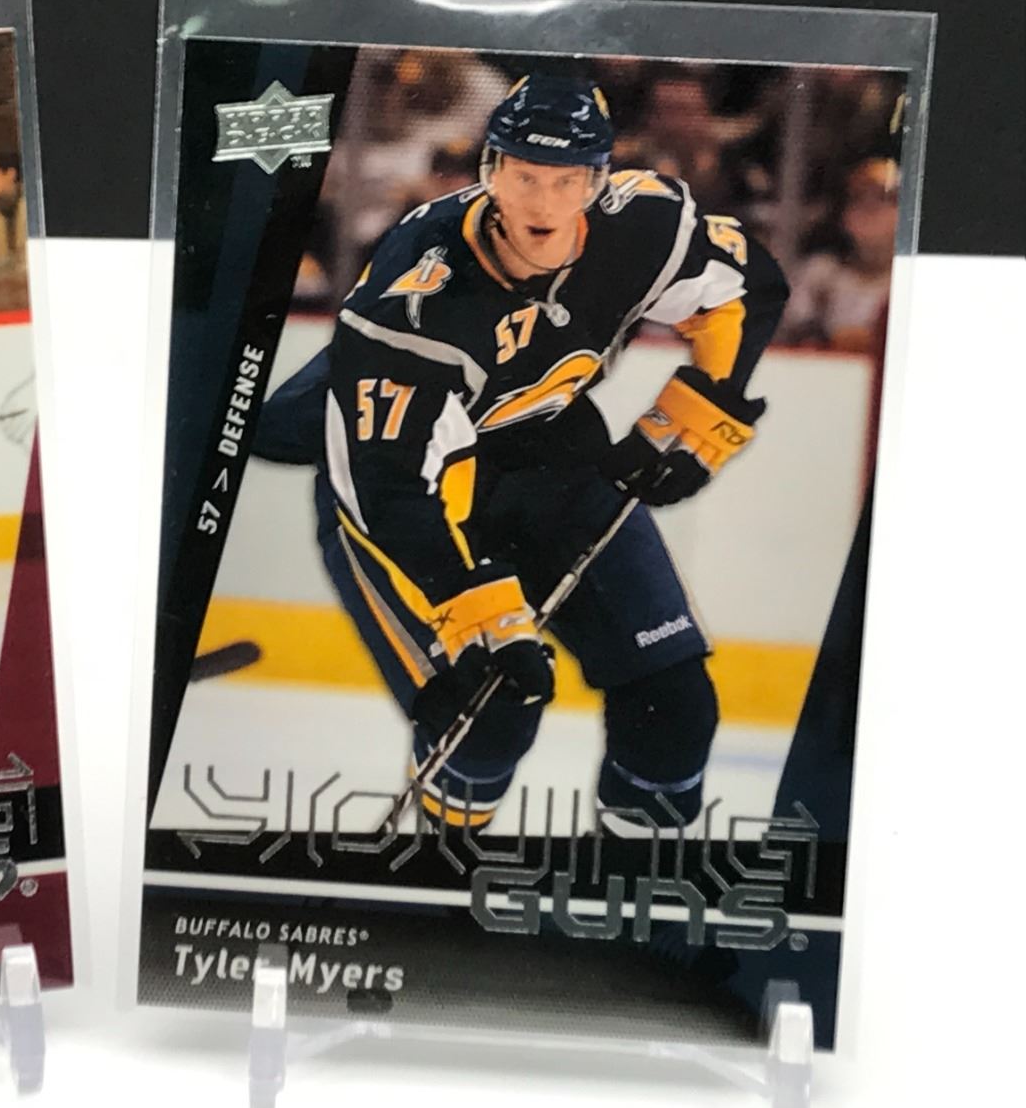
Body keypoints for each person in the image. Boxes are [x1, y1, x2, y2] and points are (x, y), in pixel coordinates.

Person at [254, 75, 788, 833]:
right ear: (490, 172)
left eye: (567, 180)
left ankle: (632, 887)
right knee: (488, 718)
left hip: (553, 454)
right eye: (526, 176)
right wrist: (476, 611)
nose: (543, 203)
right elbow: (388, 484)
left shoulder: (644, 224)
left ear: (598, 181)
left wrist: (696, 416)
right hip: (403, 494)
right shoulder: (419, 294)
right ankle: (444, 871)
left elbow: (744, 287)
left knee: (675, 708)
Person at [779, 157, 899, 353]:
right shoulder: (819, 275)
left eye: (884, 199)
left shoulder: (919, 283)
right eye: (858, 199)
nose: (869, 210)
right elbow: (789, 338)